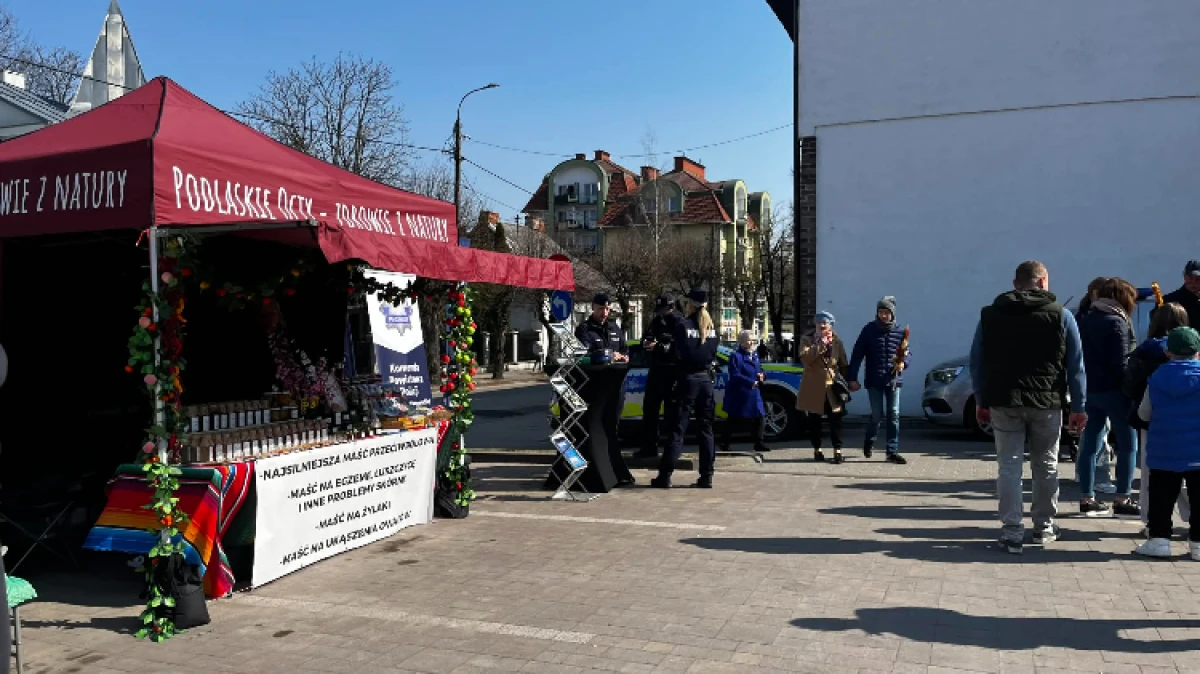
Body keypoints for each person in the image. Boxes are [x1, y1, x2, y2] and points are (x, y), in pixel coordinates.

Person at [970, 261, 1087, 554]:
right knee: (1046, 464)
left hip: (1004, 399)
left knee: (1008, 466)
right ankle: (1044, 527)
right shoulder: (1061, 315)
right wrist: (1079, 406)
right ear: (1044, 282)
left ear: (1015, 283)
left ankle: (1012, 531)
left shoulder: (990, 314)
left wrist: (981, 399)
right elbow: (1076, 365)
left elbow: (977, 361)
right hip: (1047, 401)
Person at [1134, 327, 1200, 559]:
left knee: (1161, 497)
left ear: (1168, 352)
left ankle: (1159, 540)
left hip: (1164, 449)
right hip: (1198, 453)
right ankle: (1198, 544)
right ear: (1198, 352)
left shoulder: (1157, 378)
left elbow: (1144, 413)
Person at [1077, 278, 1140, 518]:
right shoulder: (1117, 321)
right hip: (1115, 391)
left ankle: (1087, 498)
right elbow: (1120, 363)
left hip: (1090, 390)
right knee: (1128, 444)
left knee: (1090, 445)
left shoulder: (1085, 318)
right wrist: (1131, 390)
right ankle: (1122, 498)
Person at [1126, 302, 1191, 534]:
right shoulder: (1190, 352)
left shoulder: (1144, 351)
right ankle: (1193, 520)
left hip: (1152, 420)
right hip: (1189, 423)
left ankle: (1151, 523)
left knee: (1150, 474)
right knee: (1190, 474)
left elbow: (1129, 386)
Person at [652, 288, 719, 489]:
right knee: (706, 431)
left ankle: (665, 476)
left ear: (691, 304)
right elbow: (712, 354)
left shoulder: (684, 325)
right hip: (706, 381)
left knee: (677, 429)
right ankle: (707, 476)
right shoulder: (711, 328)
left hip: (687, 380)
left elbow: (676, 354)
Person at [575, 293, 633, 486]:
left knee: (612, 429)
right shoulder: (584, 329)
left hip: (615, 387)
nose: (605, 313)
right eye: (601, 309)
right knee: (595, 429)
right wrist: (607, 355)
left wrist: (623, 356)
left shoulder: (614, 328)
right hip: (595, 388)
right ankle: (596, 470)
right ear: (593, 307)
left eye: (607, 309)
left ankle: (616, 470)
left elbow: (625, 350)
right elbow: (583, 354)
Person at [847, 296, 910, 464]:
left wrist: (904, 363)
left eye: (886, 312)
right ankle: (869, 441)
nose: (883, 315)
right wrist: (852, 378)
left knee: (894, 414)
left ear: (892, 314)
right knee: (877, 414)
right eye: (880, 312)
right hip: (874, 379)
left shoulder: (900, 331)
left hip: (893, 380)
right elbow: (857, 354)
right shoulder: (869, 330)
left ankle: (892, 451)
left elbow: (907, 353)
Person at [797, 312, 850, 463]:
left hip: (831, 386)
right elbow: (806, 358)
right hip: (813, 385)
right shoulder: (807, 339)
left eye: (824, 323)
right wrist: (821, 344)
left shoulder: (837, 341)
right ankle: (817, 449)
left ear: (830, 325)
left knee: (836, 419)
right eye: (818, 322)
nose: (821, 325)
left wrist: (850, 380)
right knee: (814, 420)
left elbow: (843, 363)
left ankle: (837, 450)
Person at [634, 294, 680, 460]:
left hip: (672, 371)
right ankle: (649, 447)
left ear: (671, 308)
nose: (661, 313)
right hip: (656, 369)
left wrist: (660, 346)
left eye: (664, 310)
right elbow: (646, 337)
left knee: (671, 413)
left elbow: (678, 346)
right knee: (650, 409)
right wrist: (647, 342)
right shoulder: (656, 321)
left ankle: (670, 450)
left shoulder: (679, 322)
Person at [719, 330, 769, 454]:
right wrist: (750, 382)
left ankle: (759, 442)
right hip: (740, 392)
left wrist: (762, 375)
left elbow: (760, 369)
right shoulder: (736, 356)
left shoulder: (754, 355)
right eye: (749, 340)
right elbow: (735, 374)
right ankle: (725, 442)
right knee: (734, 418)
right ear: (742, 342)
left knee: (761, 416)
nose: (752, 342)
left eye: (753, 340)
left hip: (754, 392)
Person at [1159, 260, 1200, 328]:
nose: (1194, 282)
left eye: (1198, 279)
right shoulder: (1169, 301)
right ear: (1184, 276)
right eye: (1190, 278)